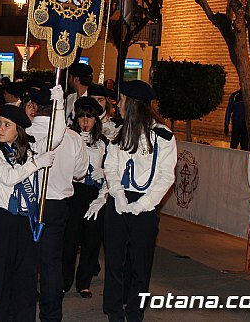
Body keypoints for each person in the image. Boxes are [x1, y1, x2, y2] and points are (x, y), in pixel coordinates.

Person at [0, 87, 65, 322]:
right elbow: (8, 176)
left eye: (7, 125)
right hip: (3, 220)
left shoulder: (29, 150)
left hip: (27, 221)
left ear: (18, 130)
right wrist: (37, 164)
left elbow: (56, 136)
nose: (0, 129)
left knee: (26, 279)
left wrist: (58, 105)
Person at [103, 80, 177, 322]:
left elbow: (166, 175)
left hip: (145, 204)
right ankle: (114, 310)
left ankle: (135, 312)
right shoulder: (120, 132)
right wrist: (117, 192)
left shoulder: (163, 136)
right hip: (119, 199)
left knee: (140, 262)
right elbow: (110, 165)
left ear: (133, 104)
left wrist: (143, 204)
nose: (118, 104)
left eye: (121, 99)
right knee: (115, 260)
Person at [26, 87, 88, 322]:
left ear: (33, 107)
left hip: (28, 204)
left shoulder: (23, 132)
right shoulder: (72, 137)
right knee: (51, 263)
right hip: (57, 206)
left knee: (25, 260)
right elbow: (80, 173)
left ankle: (23, 309)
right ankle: (51, 315)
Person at [62, 97, 107, 299]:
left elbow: (113, 168)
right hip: (74, 191)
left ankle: (84, 283)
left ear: (96, 119)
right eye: (82, 117)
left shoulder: (104, 143)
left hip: (94, 194)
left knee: (91, 240)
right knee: (70, 239)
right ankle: (64, 281)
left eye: (89, 117)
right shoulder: (69, 138)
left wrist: (103, 172)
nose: (85, 121)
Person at [65, 62, 92, 128]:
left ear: (76, 80)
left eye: (69, 77)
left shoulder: (91, 100)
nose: (68, 80)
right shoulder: (70, 98)